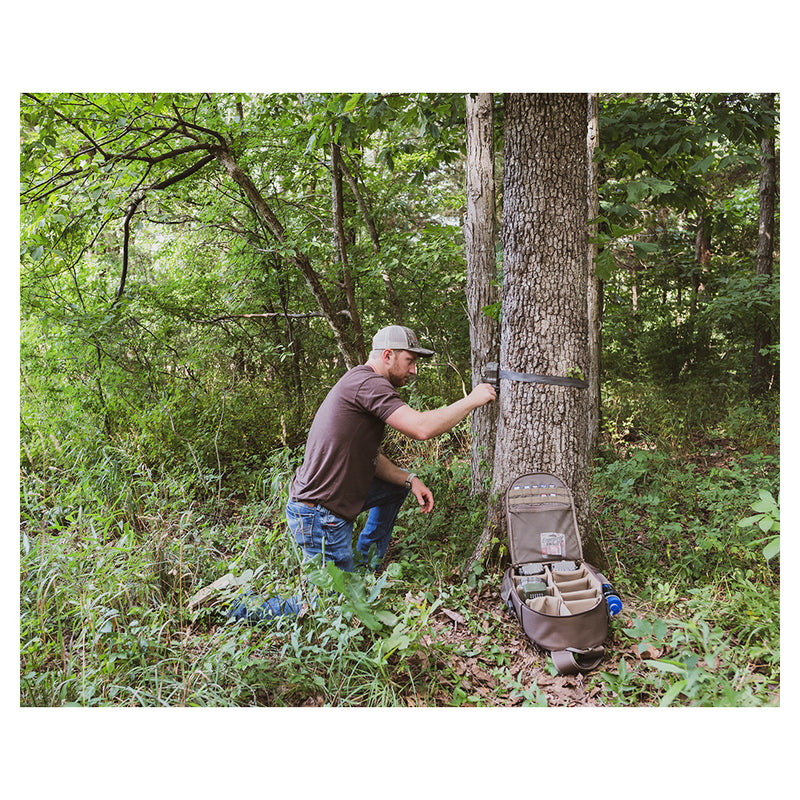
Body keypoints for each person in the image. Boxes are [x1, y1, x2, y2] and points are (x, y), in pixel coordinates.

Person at [229, 324, 496, 622]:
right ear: (388, 355)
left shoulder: (361, 382)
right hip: (319, 514)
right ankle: (235, 609)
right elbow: (422, 428)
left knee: (396, 487)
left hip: (329, 502)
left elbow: (370, 457)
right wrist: (472, 399)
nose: (414, 371)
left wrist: (410, 479)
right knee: (329, 608)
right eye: (410, 361)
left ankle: (366, 567)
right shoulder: (369, 384)